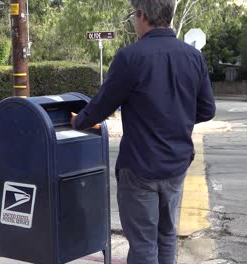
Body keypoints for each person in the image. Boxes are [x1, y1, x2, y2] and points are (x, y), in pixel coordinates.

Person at [71, 0, 216, 263]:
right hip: (176, 166)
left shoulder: (131, 58)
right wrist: (177, 117)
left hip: (140, 168)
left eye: (133, 15)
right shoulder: (193, 57)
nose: (133, 21)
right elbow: (207, 109)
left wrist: (77, 121)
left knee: (143, 244)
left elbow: (101, 106)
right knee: (167, 236)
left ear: (142, 15)